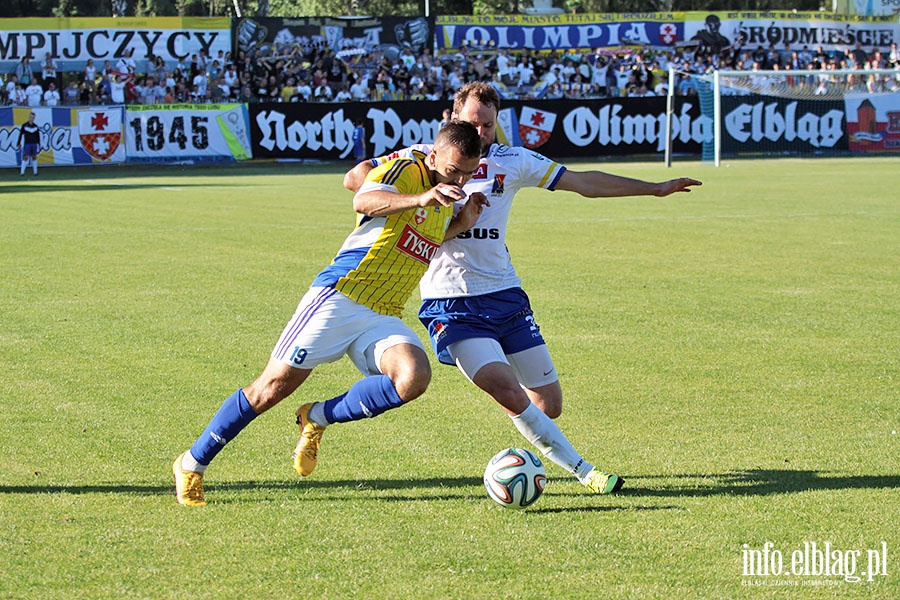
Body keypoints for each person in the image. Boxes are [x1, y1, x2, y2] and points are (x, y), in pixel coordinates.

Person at [344, 82, 702, 495]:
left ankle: (517, 464)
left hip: (506, 296)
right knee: (506, 389)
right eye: (473, 124)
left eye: (489, 126)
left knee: (548, 406)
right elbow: (356, 178)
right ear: (453, 118)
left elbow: (583, 182)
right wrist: (413, 202)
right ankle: (585, 471)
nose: (481, 134)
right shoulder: (423, 159)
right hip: (451, 301)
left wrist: (654, 188)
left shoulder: (511, 161)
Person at [172, 121, 488, 507]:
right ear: (435, 153)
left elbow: (423, 236)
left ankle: (317, 416)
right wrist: (423, 196)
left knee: (413, 377)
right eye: (454, 170)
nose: (460, 179)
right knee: (271, 388)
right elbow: (364, 200)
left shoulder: (446, 192)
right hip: (341, 295)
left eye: (469, 173)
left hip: (382, 311)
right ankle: (192, 463)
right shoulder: (409, 170)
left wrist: (462, 220)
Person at [18, 111, 41, 176]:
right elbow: (20, 134)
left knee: (34, 157)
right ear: (29, 117)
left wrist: (39, 144)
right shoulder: (24, 125)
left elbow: (38, 136)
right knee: (25, 157)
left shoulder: (36, 126)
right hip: (27, 144)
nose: (31, 118)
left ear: (34, 118)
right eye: (31, 117)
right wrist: (18, 143)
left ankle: (35, 172)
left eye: (33, 117)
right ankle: (22, 172)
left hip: (34, 144)